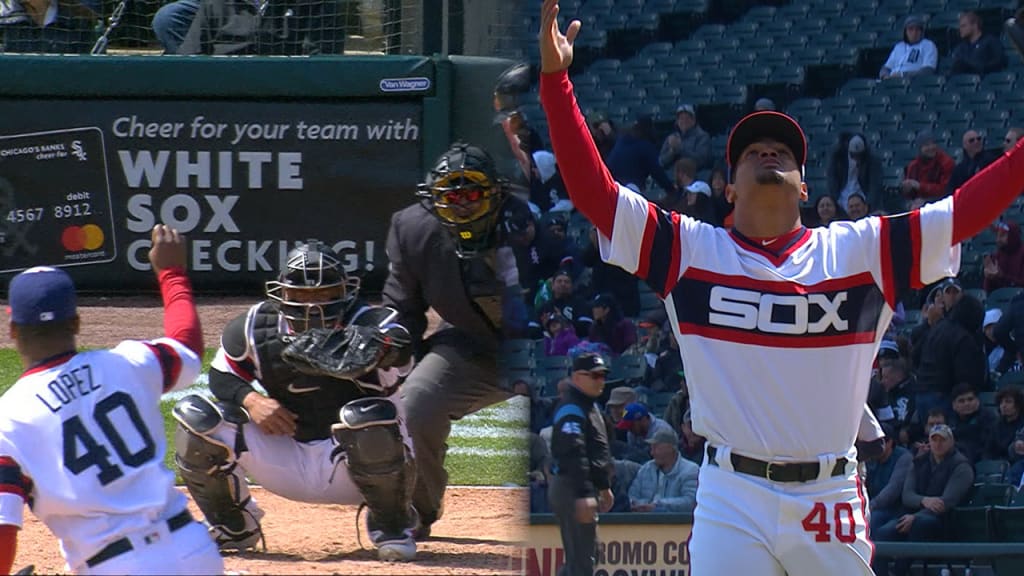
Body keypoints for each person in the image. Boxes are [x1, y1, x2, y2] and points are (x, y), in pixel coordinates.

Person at [537, 0, 1024, 571]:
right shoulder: (690, 250)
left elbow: (966, 210)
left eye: (785, 153)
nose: (769, 154)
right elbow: (595, 194)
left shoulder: (859, 250)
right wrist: (555, 83)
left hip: (828, 493)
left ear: (801, 188)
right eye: (751, 152)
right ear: (729, 189)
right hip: (730, 495)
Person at [171, 239, 418, 561]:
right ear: (282, 293)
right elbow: (221, 376)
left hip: (353, 465)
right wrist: (251, 400)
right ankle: (233, 525)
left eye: (323, 294)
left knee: (365, 416)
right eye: (301, 294)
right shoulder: (254, 326)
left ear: (344, 291)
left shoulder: (371, 323)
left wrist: (377, 350)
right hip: (284, 454)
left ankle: (391, 524)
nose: (312, 303)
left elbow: (401, 349)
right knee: (196, 417)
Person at [0, 225, 224, 575]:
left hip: (115, 566)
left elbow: (2, 530)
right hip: (192, 550)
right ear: (76, 321)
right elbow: (187, 346)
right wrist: (172, 273)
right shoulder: (130, 362)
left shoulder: (8, 418)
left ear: (12, 328)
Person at [385, 142, 527, 540]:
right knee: (416, 401)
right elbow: (402, 311)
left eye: (471, 194)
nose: (461, 205)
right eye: (451, 195)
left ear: (495, 194)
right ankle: (418, 508)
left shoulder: (536, 221)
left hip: (556, 348)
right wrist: (387, 356)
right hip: (476, 346)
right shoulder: (413, 229)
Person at [549, 353, 614, 576]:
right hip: (572, 487)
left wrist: (603, 487)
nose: (600, 380)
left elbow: (596, 451)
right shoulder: (572, 407)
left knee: (586, 556)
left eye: (603, 376)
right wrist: (584, 493)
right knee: (581, 562)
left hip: (581, 487)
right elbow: (572, 453)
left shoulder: (588, 404)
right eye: (595, 375)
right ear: (577, 377)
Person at [627, 428, 699, 513]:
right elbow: (632, 496)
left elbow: (690, 502)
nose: (652, 453)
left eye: (656, 448)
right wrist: (640, 505)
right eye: (651, 448)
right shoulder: (646, 469)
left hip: (675, 524)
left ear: (671, 448)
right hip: (644, 523)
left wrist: (658, 506)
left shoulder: (691, 470)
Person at [948, 10, 1007, 76]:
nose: (960, 29)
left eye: (963, 26)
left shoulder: (990, 41)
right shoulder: (961, 47)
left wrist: (982, 68)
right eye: (960, 26)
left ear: (975, 25)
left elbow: (1000, 61)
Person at [879, 15, 938, 79]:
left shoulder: (928, 45)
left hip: (912, 82)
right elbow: (886, 68)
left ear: (922, 32)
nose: (914, 32)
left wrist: (903, 75)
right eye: (911, 29)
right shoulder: (899, 46)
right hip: (892, 80)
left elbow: (928, 71)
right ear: (905, 32)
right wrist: (885, 76)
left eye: (917, 29)